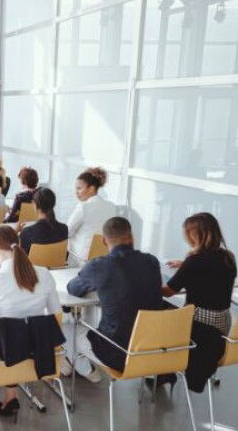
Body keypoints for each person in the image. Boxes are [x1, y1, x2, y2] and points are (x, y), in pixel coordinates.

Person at [63, 217, 164, 382]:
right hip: (153, 349)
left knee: (66, 327)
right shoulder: (151, 261)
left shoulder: (99, 266)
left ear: (104, 241)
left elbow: (73, 289)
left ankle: (87, 371)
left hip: (117, 354)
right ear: (131, 237)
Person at [0, 225, 61, 415]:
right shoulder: (44, 273)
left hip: (8, 356)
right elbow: (56, 314)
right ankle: (11, 398)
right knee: (13, 334)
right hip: (38, 354)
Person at [162, 213, 237, 392]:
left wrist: (145, 279)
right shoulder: (228, 257)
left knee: (161, 321)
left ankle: (164, 372)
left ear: (194, 235)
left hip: (200, 329)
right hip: (223, 325)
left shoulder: (194, 262)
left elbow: (168, 291)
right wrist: (185, 265)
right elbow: (210, 271)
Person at [66, 167, 116, 265]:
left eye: (79, 188)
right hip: (103, 256)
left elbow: (67, 231)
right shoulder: (111, 207)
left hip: (80, 258)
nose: (76, 192)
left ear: (91, 188)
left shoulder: (84, 207)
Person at [18, 188, 68, 254]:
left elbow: (20, 257)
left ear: (35, 205)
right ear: (54, 204)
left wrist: (15, 233)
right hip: (57, 261)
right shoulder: (64, 229)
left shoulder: (27, 232)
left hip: (33, 261)